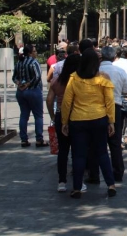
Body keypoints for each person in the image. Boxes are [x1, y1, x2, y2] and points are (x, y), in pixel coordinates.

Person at [61, 49, 117, 199]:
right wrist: (111, 121)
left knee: (79, 155)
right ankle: (111, 185)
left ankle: (77, 188)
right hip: (99, 118)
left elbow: (67, 102)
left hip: (78, 120)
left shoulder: (74, 78)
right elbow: (109, 102)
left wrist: (64, 121)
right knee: (102, 153)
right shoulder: (103, 78)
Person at [87, 46, 127, 183]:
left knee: (95, 142)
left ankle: (94, 174)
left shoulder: (94, 71)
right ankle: (117, 172)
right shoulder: (120, 71)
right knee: (115, 142)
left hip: (96, 108)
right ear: (114, 57)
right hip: (115, 107)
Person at [46, 54, 83, 193]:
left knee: (63, 150)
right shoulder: (79, 81)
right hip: (77, 115)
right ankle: (78, 181)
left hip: (60, 115)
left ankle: (61, 181)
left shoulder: (56, 80)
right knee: (78, 150)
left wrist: (53, 115)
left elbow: (49, 100)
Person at [12, 44, 48, 148]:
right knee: (38, 116)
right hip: (33, 91)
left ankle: (24, 139)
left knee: (24, 115)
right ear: (30, 53)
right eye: (35, 51)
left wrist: (20, 85)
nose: (36, 53)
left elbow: (14, 77)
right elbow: (37, 77)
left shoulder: (19, 63)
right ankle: (39, 139)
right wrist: (28, 84)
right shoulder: (33, 62)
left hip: (21, 92)